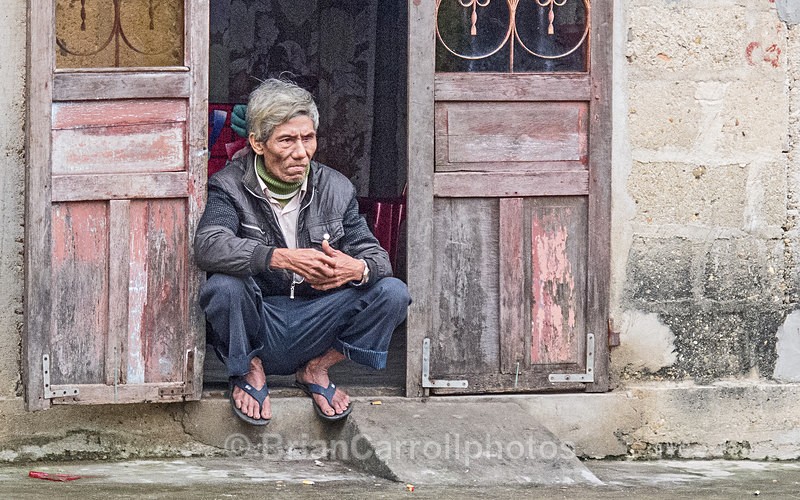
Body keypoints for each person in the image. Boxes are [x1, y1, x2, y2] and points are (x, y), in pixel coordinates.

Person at [195, 78, 410, 425]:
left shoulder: (336, 188)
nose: (300, 152)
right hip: (259, 320)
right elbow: (209, 244)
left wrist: (355, 269)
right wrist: (278, 257)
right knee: (224, 286)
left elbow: (378, 258)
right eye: (287, 140)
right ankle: (249, 369)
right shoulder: (229, 185)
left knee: (393, 292)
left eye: (307, 138)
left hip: (315, 319)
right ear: (258, 143)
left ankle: (317, 369)